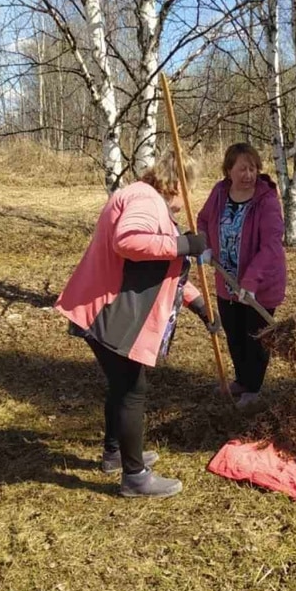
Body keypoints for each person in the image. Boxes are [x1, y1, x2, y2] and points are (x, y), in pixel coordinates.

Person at [55, 151, 220, 499]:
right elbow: (128, 241)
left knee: (122, 386)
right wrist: (183, 243)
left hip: (109, 309)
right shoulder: (145, 198)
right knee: (132, 388)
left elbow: (162, 270)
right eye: (187, 191)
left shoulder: (145, 198)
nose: (184, 203)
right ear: (176, 184)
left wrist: (200, 305)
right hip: (108, 310)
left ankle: (116, 454)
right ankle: (135, 476)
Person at [197, 142, 286, 408]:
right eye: (242, 169)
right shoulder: (220, 192)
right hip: (227, 280)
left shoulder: (266, 200)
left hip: (259, 283)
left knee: (256, 338)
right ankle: (242, 379)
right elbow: (202, 219)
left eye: (253, 168)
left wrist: (250, 281)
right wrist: (204, 243)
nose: (249, 174)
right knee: (234, 334)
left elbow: (271, 244)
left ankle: (254, 388)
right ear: (228, 170)